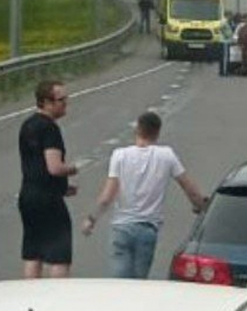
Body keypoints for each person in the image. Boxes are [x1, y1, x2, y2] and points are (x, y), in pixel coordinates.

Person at [81, 112, 207, 279]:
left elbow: (107, 196)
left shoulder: (120, 155)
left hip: (122, 227)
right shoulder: (166, 155)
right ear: (157, 132)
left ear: (138, 129)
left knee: (120, 282)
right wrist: (201, 206)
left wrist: (92, 218)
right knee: (139, 283)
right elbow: (189, 188)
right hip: (147, 228)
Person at [18, 80, 79, 279]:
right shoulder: (50, 129)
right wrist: (73, 169)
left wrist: (62, 187)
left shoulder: (27, 126)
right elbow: (54, 167)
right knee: (58, 254)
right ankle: (56, 299)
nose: (65, 103)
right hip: (48, 201)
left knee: (32, 251)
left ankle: (31, 296)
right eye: (61, 100)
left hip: (28, 196)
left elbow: (36, 168)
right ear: (46, 102)